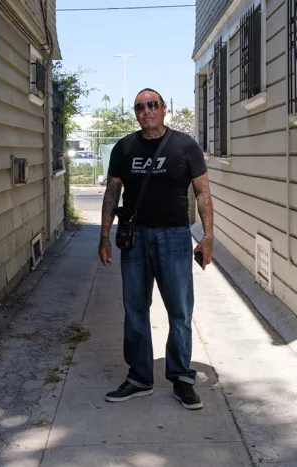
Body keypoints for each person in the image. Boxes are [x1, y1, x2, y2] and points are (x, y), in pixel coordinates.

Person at [98, 88, 214, 410]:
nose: (146, 110)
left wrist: (207, 237)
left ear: (164, 109)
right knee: (135, 308)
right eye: (140, 106)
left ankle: (181, 378)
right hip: (135, 238)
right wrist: (104, 236)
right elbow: (112, 193)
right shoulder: (123, 148)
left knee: (180, 311)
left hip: (175, 238)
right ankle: (139, 378)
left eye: (152, 104)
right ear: (135, 113)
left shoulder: (185, 146)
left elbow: (203, 193)